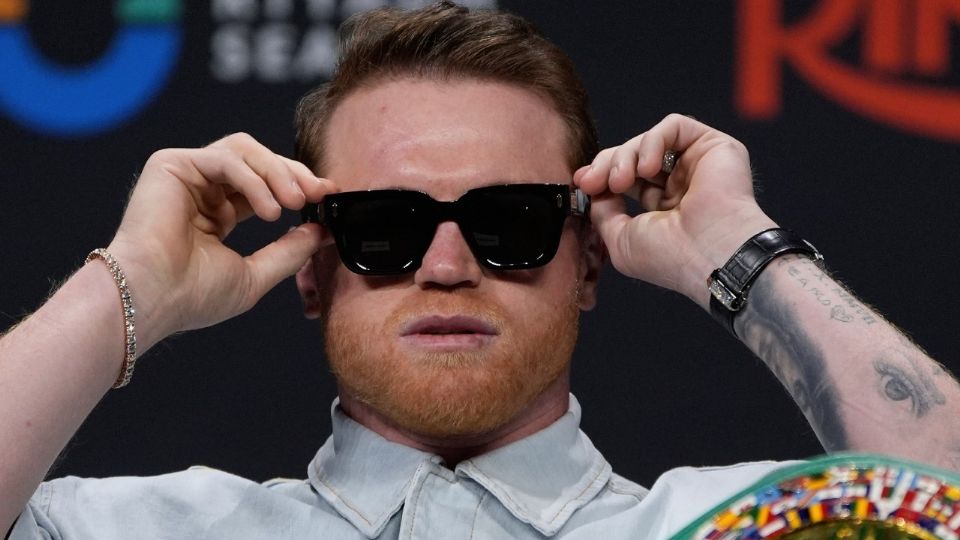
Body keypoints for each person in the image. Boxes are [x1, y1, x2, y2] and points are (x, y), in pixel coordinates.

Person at [2, 2, 959, 538]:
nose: (448, 265)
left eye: (511, 222)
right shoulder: (150, 531)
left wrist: (739, 254)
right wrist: (130, 281)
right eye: (384, 226)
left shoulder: (733, 527)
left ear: (588, 263)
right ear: (312, 269)